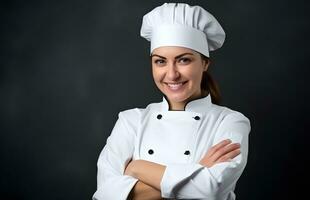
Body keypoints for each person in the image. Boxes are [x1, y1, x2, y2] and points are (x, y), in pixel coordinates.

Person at [92, 3, 251, 200]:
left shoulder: (230, 122)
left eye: (183, 60)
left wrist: (138, 168)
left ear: (205, 63)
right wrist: (198, 170)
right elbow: (106, 194)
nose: (172, 74)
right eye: (160, 61)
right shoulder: (131, 121)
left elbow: (213, 189)